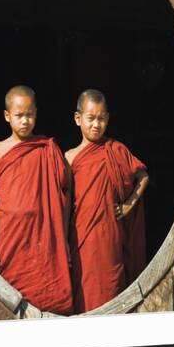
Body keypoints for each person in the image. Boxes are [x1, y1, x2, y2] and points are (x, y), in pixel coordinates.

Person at [0, 85, 73, 315]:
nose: (25, 121)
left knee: (48, 297)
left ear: (36, 113)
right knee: (7, 300)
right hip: (11, 237)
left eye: (30, 114)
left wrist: (62, 236)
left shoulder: (47, 148)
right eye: (19, 115)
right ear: (7, 116)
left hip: (44, 238)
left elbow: (66, 187)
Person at [66, 89, 149, 314]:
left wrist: (129, 204)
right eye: (91, 118)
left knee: (111, 288)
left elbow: (143, 176)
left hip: (110, 237)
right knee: (84, 290)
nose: (96, 124)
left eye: (101, 119)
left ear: (108, 119)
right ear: (78, 119)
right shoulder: (70, 158)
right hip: (81, 237)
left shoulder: (116, 150)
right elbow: (63, 204)